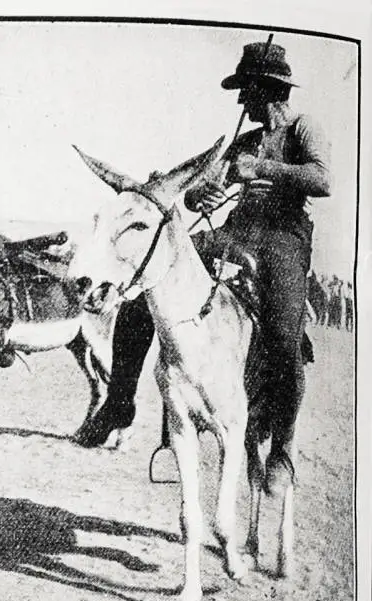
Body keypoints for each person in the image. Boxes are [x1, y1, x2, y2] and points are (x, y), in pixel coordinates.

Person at [84, 41, 331, 496]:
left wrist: (261, 167)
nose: (242, 102)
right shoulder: (243, 140)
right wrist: (204, 196)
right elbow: (198, 192)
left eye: (247, 92)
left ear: (269, 90)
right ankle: (119, 403)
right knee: (144, 290)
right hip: (235, 231)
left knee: (282, 337)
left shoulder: (302, 129)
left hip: (283, 236)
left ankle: (281, 449)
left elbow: (322, 178)